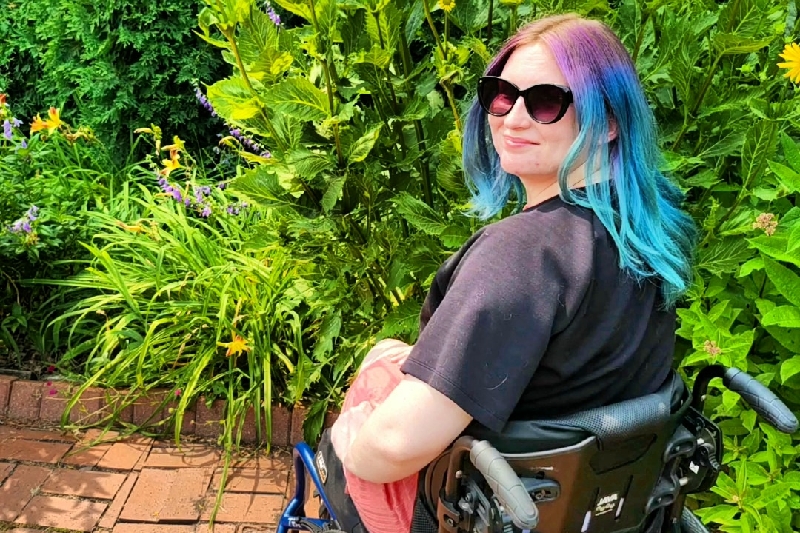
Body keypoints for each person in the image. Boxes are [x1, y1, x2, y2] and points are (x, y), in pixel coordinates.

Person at [326, 12, 697, 533]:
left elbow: (392, 447)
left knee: (369, 392)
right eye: (501, 95)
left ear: (610, 122)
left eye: (545, 102)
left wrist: (351, 444)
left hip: (482, 508)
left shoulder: (520, 257)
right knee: (390, 354)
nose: (513, 119)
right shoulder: (644, 236)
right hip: (596, 504)